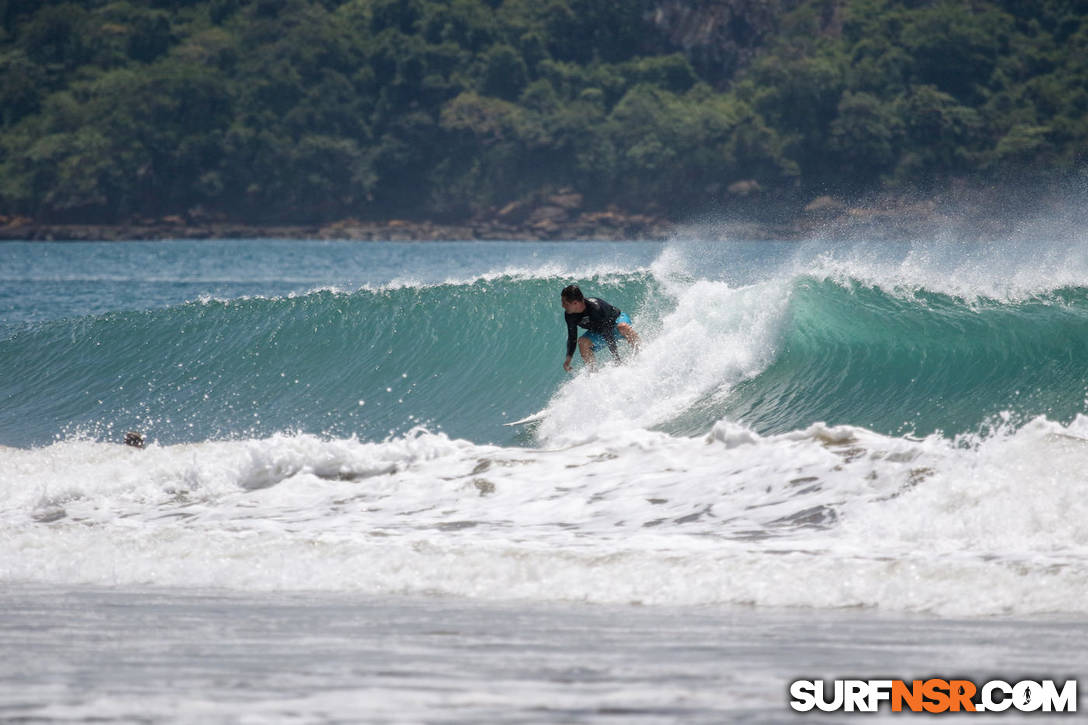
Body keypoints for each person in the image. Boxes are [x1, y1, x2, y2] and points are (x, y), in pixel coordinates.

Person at [561, 284, 640, 372]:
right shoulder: (569, 315)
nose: (562, 306)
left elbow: (607, 332)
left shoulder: (595, 307)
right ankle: (593, 373)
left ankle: (640, 353)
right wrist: (568, 360)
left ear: (575, 303)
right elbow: (572, 338)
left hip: (616, 321)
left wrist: (617, 359)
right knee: (582, 342)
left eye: (565, 303)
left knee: (622, 327)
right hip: (599, 331)